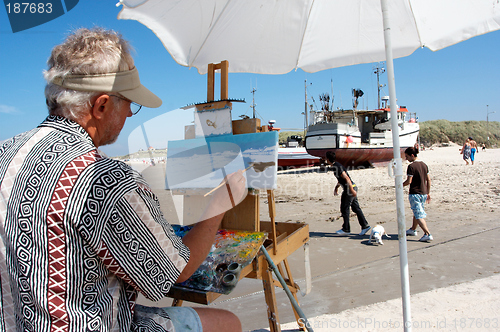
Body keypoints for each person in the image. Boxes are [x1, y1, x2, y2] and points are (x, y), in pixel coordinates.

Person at [0, 27, 247, 332]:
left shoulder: (5, 153)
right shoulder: (106, 179)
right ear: (101, 106)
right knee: (227, 323)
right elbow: (175, 272)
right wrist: (219, 205)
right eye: (129, 102)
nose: (131, 113)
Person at [325, 151, 371, 236]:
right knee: (356, 208)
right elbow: (340, 179)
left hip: (349, 189)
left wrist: (352, 190)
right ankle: (365, 226)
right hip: (351, 188)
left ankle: (346, 229)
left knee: (344, 208)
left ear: (328, 159)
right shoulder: (335, 166)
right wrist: (336, 188)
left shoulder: (337, 166)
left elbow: (346, 178)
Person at [403, 147, 433, 242]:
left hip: (415, 193)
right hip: (423, 193)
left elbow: (409, 181)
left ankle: (427, 233)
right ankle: (413, 229)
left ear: (412, 155)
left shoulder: (411, 167)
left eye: (407, 156)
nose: (406, 158)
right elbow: (428, 180)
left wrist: (399, 185)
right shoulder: (424, 165)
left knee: (418, 214)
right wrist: (428, 192)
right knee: (417, 212)